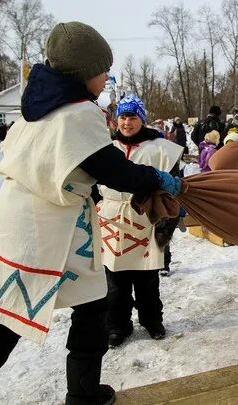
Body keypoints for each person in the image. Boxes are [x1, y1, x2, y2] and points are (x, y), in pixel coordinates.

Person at [0, 21, 182, 405]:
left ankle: (81, 393)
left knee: (91, 307)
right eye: (104, 70)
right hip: (44, 230)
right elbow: (111, 168)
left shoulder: (39, 108)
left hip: (44, 225)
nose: (106, 79)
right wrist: (157, 179)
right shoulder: (78, 112)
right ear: (86, 72)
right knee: (5, 323)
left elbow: (71, 165)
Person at [97, 95, 184, 347]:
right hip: (110, 219)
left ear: (141, 119)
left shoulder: (161, 148)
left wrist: (166, 223)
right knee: (115, 281)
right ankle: (117, 325)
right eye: (123, 117)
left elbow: (173, 186)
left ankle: (151, 320)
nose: (127, 122)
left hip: (146, 218)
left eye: (132, 117)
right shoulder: (105, 147)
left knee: (146, 278)